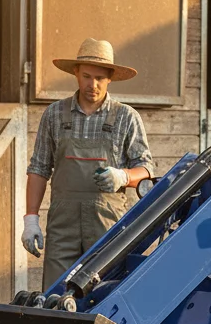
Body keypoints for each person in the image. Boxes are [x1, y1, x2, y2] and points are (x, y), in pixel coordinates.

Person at [23, 38, 154, 289]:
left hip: (107, 225)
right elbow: (39, 168)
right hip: (62, 227)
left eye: (99, 79)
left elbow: (146, 169)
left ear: (110, 78)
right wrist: (30, 220)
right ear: (75, 73)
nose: (92, 85)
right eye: (86, 76)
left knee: (106, 292)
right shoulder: (54, 115)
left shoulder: (126, 117)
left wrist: (123, 176)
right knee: (55, 293)